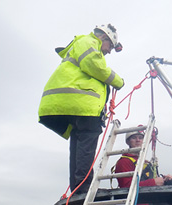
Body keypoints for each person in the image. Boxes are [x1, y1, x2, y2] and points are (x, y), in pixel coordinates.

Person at [38, 24, 124, 194]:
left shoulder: (83, 44)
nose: (109, 52)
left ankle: (79, 188)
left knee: (78, 145)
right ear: (103, 38)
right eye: (110, 47)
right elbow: (95, 66)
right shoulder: (89, 42)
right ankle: (84, 189)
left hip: (70, 105)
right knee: (86, 142)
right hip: (81, 106)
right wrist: (118, 81)